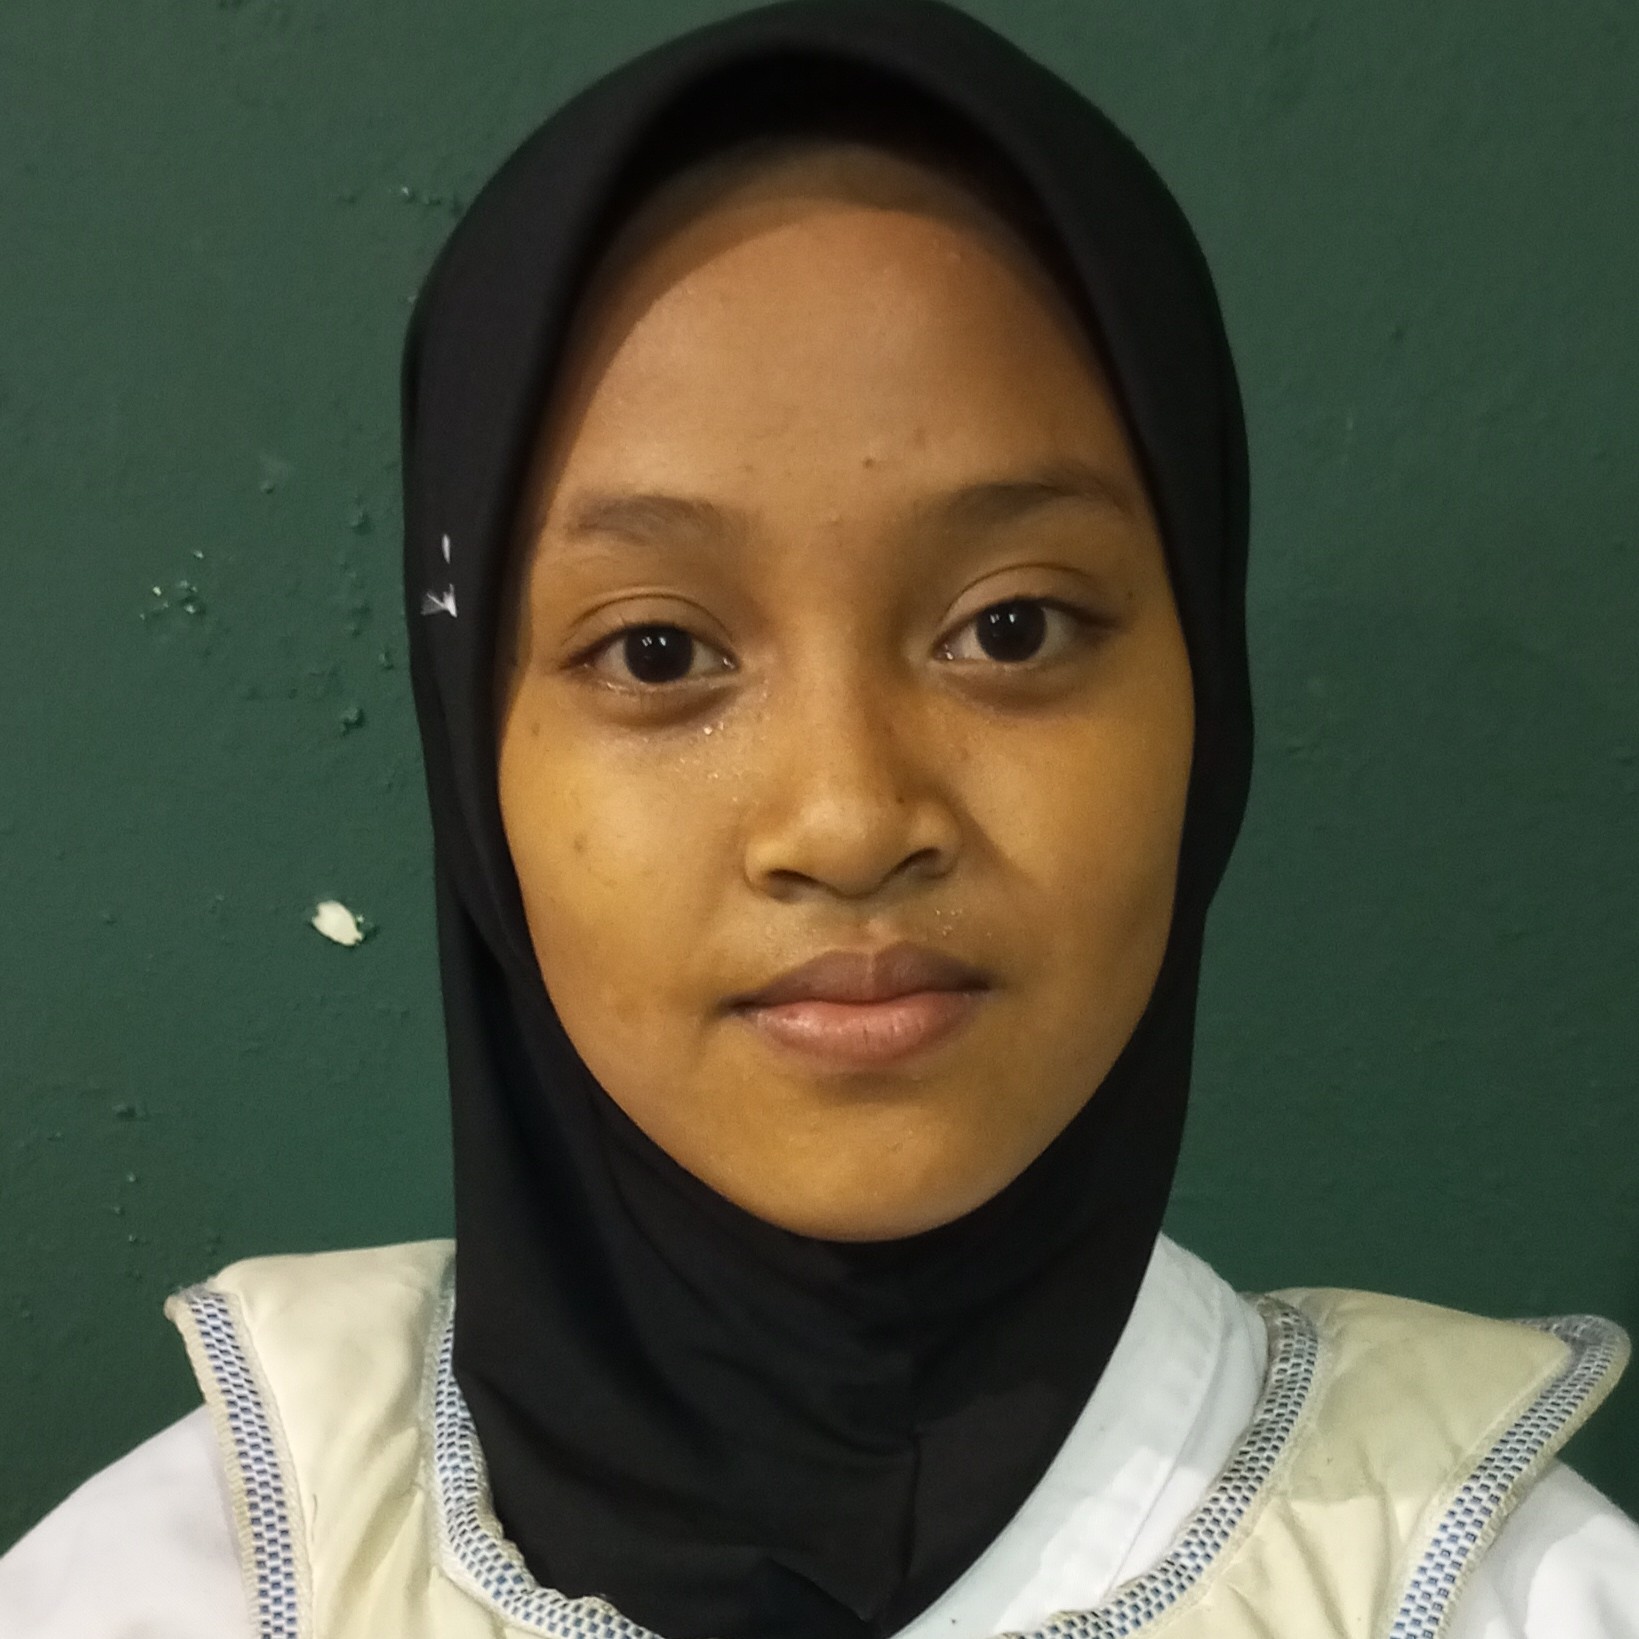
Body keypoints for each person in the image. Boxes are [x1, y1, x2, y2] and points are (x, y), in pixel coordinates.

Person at [2, 4, 1635, 1636]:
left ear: (1203, 697)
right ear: (470, 749)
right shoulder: (154, 1597)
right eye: (658, 652)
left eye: (1012, 628)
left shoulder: (1519, 1595)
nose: (851, 820)